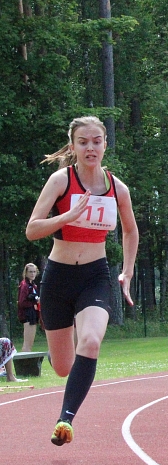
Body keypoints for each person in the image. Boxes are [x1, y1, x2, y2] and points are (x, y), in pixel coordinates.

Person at [25, 116, 138, 445]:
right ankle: (60, 358)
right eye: (84, 142)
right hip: (58, 277)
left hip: (95, 276)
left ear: (105, 144)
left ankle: (65, 420)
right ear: (73, 146)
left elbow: (130, 231)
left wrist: (127, 271)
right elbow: (32, 229)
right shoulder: (61, 181)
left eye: (97, 141)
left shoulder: (117, 188)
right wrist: (67, 216)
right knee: (62, 367)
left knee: (90, 341)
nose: (91, 147)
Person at [17, 263, 40, 352]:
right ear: (26, 273)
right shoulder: (24, 285)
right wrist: (33, 303)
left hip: (33, 314)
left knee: (30, 344)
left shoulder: (33, 285)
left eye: (34, 272)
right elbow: (21, 303)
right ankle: (25, 364)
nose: (32, 274)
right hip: (27, 315)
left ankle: (28, 363)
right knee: (27, 344)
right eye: (30, 272)